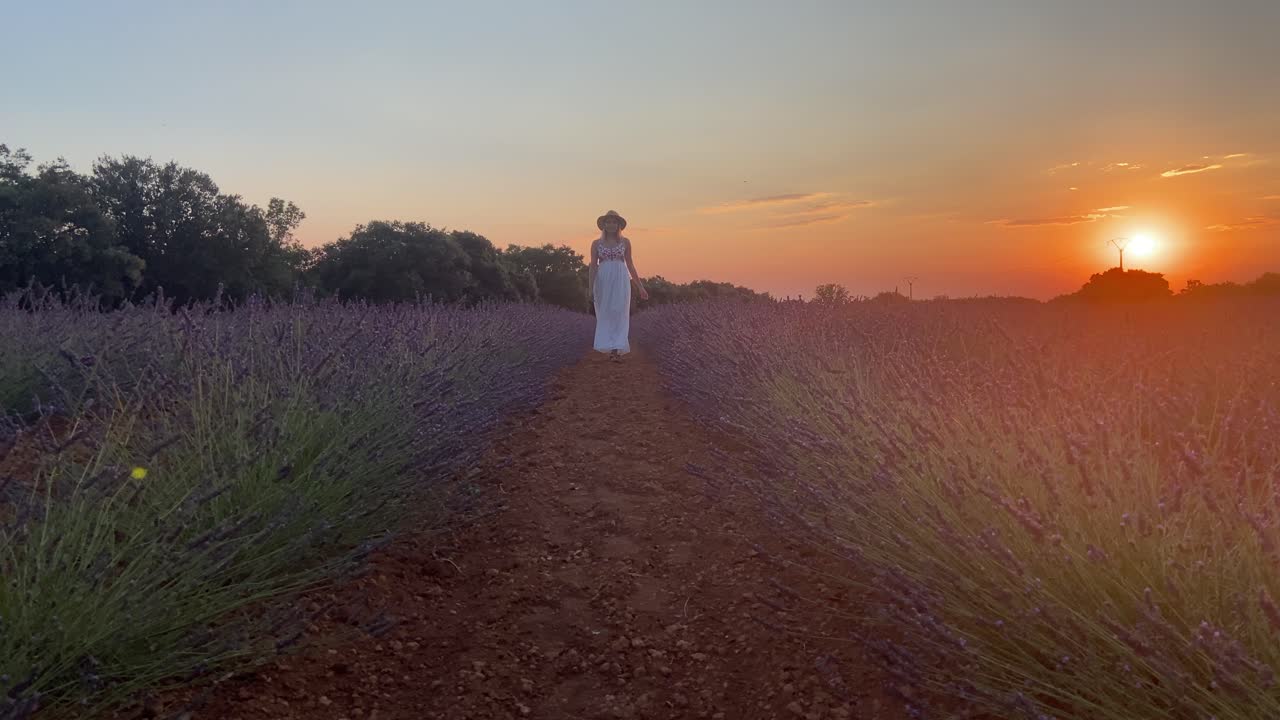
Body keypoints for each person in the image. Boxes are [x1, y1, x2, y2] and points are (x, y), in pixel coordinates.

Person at [589, 210, 648, 361]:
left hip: (621, 278)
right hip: (603, 280)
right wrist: (590, 288)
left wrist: (640, 286)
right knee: (605, 312)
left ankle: (616, 348)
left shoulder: (625, 242)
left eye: (614, 222)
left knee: (619, 311)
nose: (611, 225)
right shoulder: (596, 243)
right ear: (603, 225)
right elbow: (593, 266)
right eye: (608, 222)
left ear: (618, 225)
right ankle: (608, 345)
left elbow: (630, 264)